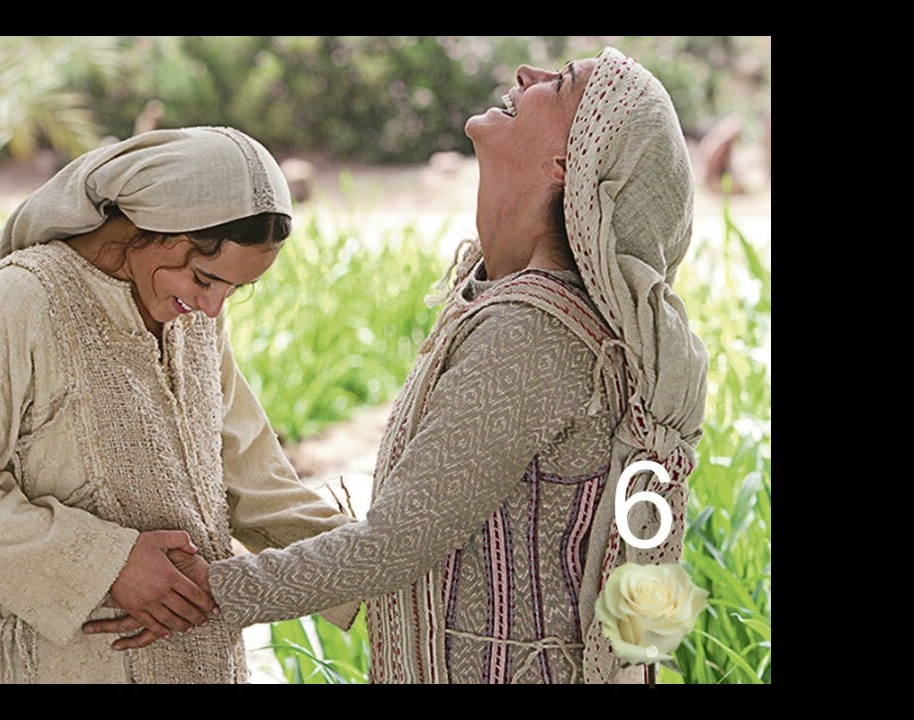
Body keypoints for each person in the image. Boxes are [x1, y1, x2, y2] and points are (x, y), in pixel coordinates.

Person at [84, 47, 709, 685]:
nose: (529, 75)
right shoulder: (503, 297)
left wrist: (200, 593)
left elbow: (396, 543)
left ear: (566, 164)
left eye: (563, 84)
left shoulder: (535, 333)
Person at [0, 126, 359, 684]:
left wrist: (380, 560)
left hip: (198, 658)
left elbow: (254, 482)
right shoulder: (23, 298)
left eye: (233, 291)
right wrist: (106, 563)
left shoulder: (189, 315)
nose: (213, 308)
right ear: (150, 225)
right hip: (63, 665)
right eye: (204, 278)